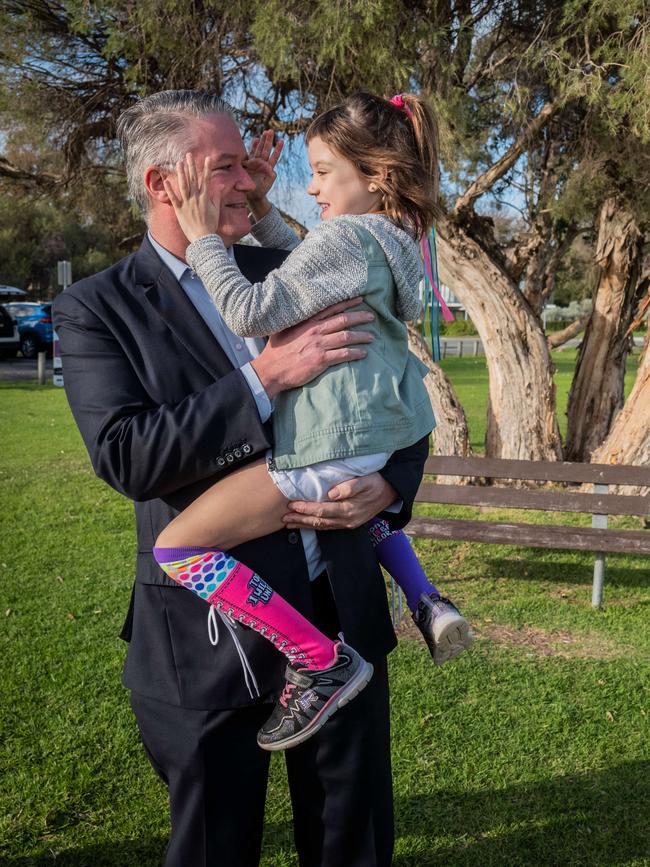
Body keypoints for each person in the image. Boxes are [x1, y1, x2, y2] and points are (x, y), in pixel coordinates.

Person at [52, 89, 431, 867]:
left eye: (249, 166)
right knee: (213, 850)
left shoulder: (302, 259)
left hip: (341, 614)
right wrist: (263, 377)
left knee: (351, 845)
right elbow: (127, 455)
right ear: (165, 186)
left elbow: (395, 382)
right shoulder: (97, 308)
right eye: (226, 166)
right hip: (204, 640)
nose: (253, 180)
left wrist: (392, 483)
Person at [152, 91, 473, 752]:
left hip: (329, 444)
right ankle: (427, 595)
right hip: (377, 439)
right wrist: (268, 216)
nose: (312, 186)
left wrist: (205, 237)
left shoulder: (344, 239)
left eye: (323, 171)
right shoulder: (386, 238)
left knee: (177, 548)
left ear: (375, 177)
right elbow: (314, 265)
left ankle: (316, 658)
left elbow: (252, 308)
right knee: (372, 513)